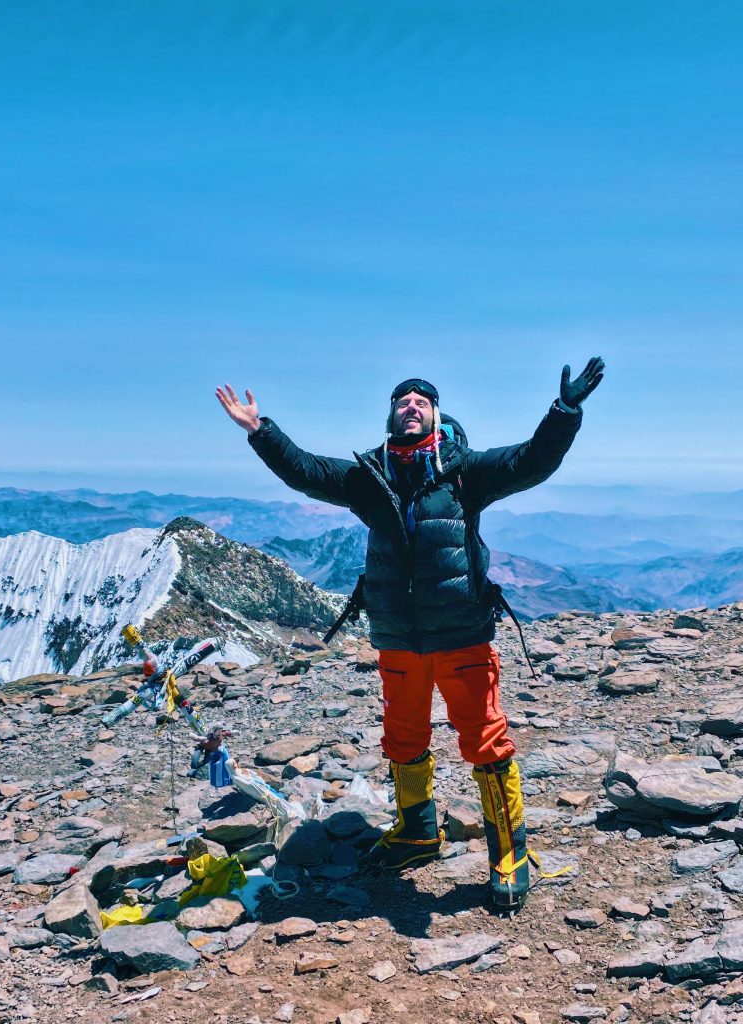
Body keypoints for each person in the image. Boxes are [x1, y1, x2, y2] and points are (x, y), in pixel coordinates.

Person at [215, 357, 605, 913]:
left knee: (485, 739)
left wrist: (564, 411)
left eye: (422, 400)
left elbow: (532, 461)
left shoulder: (464, 472)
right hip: (397, 638)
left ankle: (509, 854)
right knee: (402, 738)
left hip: (462, 634)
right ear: (392, 416)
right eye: (403, 400)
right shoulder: (369, 478)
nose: (412, 405)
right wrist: (261, 430)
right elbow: (305, 471)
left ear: (436, 415)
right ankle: (417, 832)